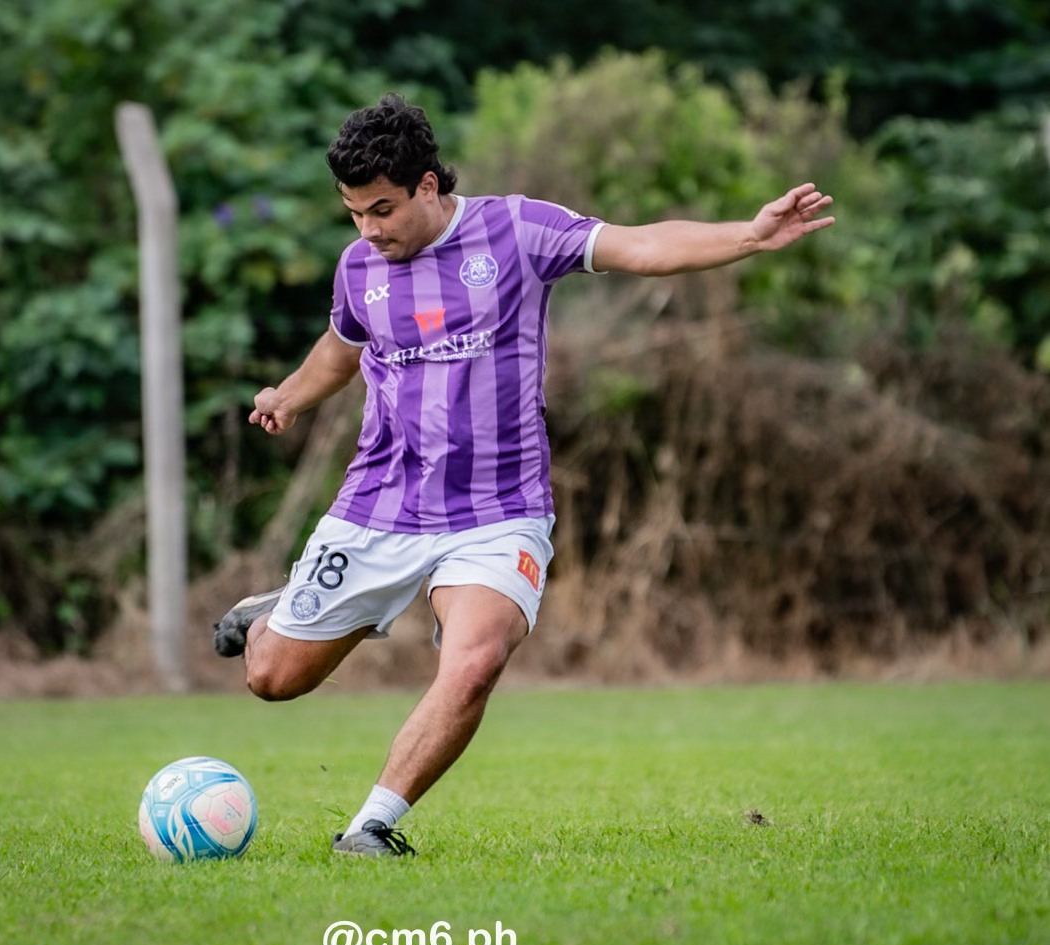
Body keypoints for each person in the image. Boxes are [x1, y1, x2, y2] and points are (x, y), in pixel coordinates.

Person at [213, 93, 834, 857]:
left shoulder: (515, 229)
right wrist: (287, 398)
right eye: (353, 214)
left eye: (381, 210)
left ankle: (371, 827)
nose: (368, 231)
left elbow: (637, 246)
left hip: (498, 510)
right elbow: (341, 349)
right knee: (272, 678)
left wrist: (747, 234)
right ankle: (277, 609)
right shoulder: (359, 268)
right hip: (380, 505)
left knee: (472, 663)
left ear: (430, 186)